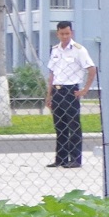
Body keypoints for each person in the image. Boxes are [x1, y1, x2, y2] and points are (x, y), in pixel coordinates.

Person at [44, 20, 96, 168]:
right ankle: (60, 159)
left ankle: (75, 159)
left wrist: (85, 89)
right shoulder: (55, 50)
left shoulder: (79, 50)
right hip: (57, 90)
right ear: (57, 34)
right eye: (62, 34)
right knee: (60, 127)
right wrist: (49, 95)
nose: (65, 36)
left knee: (73, 126)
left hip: (71, 90)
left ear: (71, 33)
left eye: (67, 33)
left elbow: (91, 69)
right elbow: (52, 74)